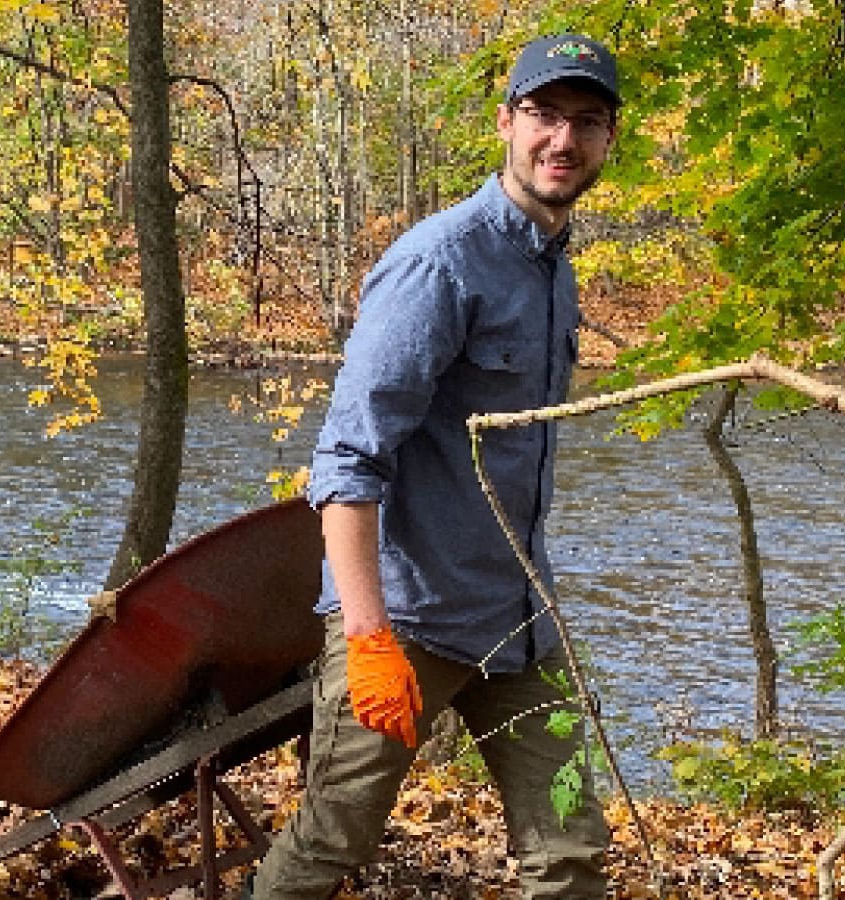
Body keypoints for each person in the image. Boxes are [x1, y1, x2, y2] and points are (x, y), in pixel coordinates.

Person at [245, 34, 621, 900]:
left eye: (586, 122)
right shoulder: (439, 263)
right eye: (544, 116)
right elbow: (345, 458)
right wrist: (370, 640)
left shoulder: (553, 266)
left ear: (609, 141)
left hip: (516, 622)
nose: (562, 140)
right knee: (328, 848)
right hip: (406, 623)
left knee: (568, 851)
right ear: (506, 124)